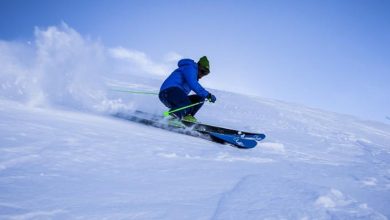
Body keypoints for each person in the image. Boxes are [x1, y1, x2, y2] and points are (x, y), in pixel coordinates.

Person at [159, 56, 217, 123]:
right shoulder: (190, 68)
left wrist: (206, 95)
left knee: (199, 99)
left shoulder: (194, 74)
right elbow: (193, 84)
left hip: (176, 96)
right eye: (202, 71)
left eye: (205, 74)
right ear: (198, 66)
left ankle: (186, 116)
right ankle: (171, 117)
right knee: (186, 103)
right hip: (168, 92)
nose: (202, 75)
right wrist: (208, 95)